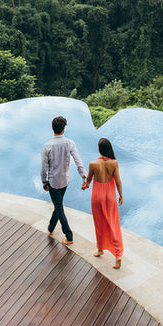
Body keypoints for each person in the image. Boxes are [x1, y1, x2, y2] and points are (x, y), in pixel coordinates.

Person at [41, 115, 87, 245]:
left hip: (53, 182)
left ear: (53, 128)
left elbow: (44, 167)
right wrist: (84, 177)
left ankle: (69, 236)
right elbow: (78, 162)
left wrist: (44, 182)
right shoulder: (70, 143)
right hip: (65, 180)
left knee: (59, 207)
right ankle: (51, 228)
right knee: (58, 205)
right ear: (63, 128)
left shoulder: (47, 146)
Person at [82, 137, 123, 268]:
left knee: (99, 224)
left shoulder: (93, 164)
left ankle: (100, 249)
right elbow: (118, 181)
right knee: (113, 224)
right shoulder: (114, 163)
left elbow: (88, 181)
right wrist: (121, 195)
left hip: (97, 197)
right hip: (110, 197)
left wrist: (85, 185)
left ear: (99, 149)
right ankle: (117, 255)